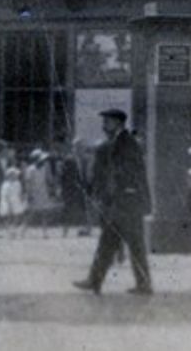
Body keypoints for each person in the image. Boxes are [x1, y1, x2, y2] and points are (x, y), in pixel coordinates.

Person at [72, 109, 153, 295]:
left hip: (127, 201)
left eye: (107, 122)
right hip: (121, 202)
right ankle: (96, 281)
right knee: (111, 242)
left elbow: (132, 172)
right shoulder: (119, 141)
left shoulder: (127, 142)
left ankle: (140, 284)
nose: (104, 126)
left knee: (130, 244)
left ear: (118, 123)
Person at [23, 149, 58, 238]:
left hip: (43, 192)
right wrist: (29, 194)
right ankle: (22, 231)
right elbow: (28, 182)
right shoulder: (30, 169)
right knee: (31, 213)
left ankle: (45, 232)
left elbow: (49, 179)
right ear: (36, 159)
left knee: (44, 213)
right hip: (34, 193)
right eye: (41, 158)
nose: (43, 160)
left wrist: (53, 185)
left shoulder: (44, 168)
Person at [0, 166, 27, 238]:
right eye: (14, 175)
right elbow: (4, 195)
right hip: (7, 203)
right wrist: (8, 204)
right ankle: (10, 232)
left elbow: (20, 193)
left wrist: (22, 200)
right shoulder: (5, 184)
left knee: (17, 217)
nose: (16, 176)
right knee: (8, 217)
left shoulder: (18, 183)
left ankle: (14, 230)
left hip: (16, 202)